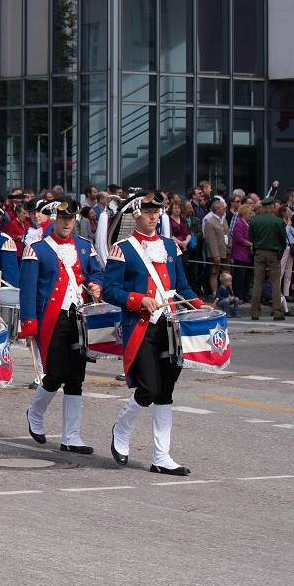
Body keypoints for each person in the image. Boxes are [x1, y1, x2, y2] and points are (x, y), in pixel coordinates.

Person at [103, 192, 204, 476]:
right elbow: (110, 290)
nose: (153, 217)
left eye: (156, 212)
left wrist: (198, 304)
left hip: (170, 325)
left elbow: (182, 287)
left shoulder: (171, 247)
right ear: (136, 215)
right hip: (141, 326)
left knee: (166, 390)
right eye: (147, 212)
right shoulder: (123, 249)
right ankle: (122, 429)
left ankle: (162, 456)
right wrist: (138, 300)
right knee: (148, 387)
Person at [19, 197, 104, 453]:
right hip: (52, 319)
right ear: (54, 218)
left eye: (71, 218)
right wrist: (29, 325)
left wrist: (94, 284)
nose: (67, 223)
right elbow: (28, 290)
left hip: (80, 318)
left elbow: (96, 273)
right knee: (55, 373)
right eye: (63, 218)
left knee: (76, 377)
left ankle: (71, 436)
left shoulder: (84, 245)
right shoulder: (36, 248)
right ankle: (35, 412)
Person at [249, 196, 287, 321]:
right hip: (273, 253)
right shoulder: (278, 221)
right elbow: (283, 239)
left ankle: (255, 312)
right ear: (271, 207)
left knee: (257, 282)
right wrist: (280, 250)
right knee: (275, 282)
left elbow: (251, 238)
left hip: (259, 252)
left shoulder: (254, 220)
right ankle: (277, 311)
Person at [203, 196, 229, 296]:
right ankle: (215, 293)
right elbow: (211, 240)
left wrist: (229, 246)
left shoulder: (224, 220)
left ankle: (227, 292)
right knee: (215, 273)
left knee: (226, 271)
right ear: (217, 209)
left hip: (225, 250)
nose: (224, 209)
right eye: (223, 207)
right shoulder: (210, 222)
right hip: (216, 252)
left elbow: (227, 234)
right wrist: (215, 255)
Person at [230, 204, 254, 302]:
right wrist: (250, 243)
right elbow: (238, 237)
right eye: (249, 213)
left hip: (248, 255)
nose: (250, 215)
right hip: (240, 254)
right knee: (240, 276)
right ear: (243, 214)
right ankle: (239, 295)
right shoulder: (239, 224)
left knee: (248, 277)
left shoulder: (249, 224)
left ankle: (245, 294)